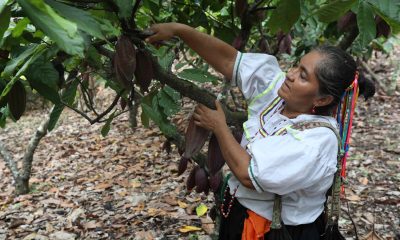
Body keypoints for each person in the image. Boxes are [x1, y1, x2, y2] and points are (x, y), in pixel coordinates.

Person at [146, 23, 375, 240]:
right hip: (240, 214)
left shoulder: (315, 141)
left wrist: (219, 126)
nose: (291, 74)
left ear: (322, 98)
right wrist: (180, 30)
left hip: (276, 231)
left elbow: (248, 174)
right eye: (297, 65)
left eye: (303, 76)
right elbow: (230, 61)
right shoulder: (277, 94)